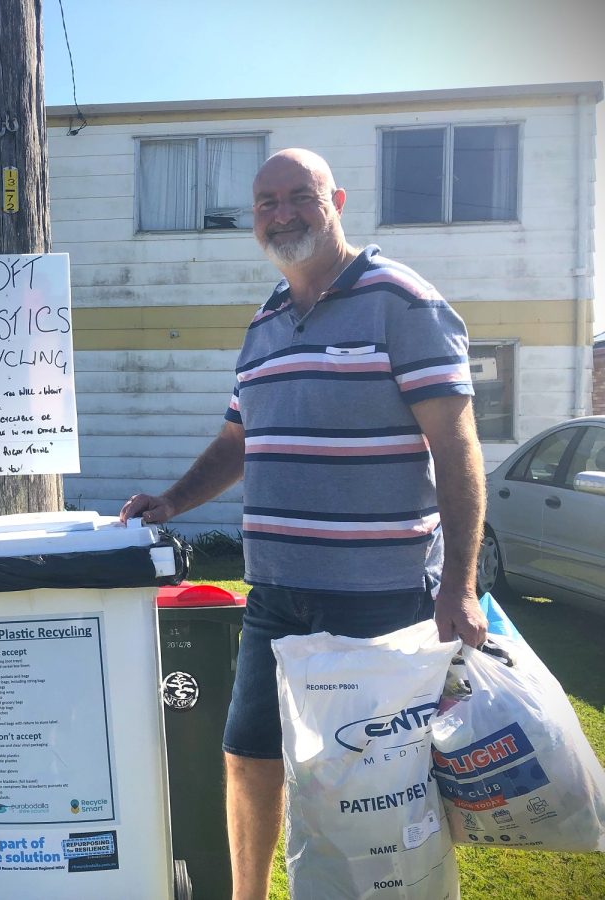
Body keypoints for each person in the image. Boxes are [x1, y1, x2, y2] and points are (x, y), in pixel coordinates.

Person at [120, 148, 489, 900]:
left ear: (338, 200)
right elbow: (238, 442)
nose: (282, 214)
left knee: (374, 781)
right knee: (248, 757)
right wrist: (170, 502)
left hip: (380, 598)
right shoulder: (264, 322)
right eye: (266, 203)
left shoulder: (402, 299)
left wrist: (460, 585)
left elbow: (457, 448)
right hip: (276, 596)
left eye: (299, 196)